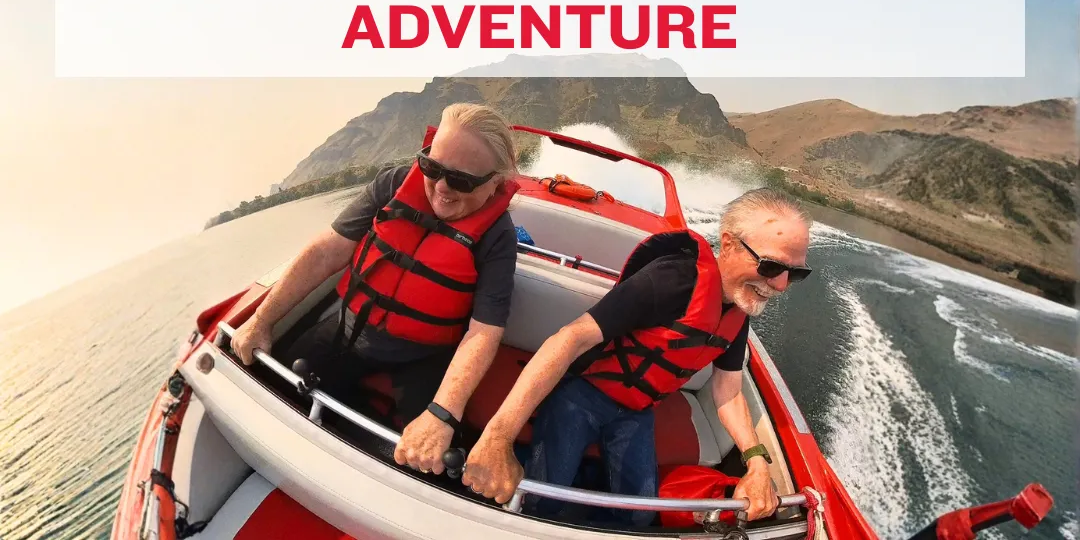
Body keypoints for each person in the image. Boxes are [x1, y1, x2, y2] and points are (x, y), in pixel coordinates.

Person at [460, 188, 814, 527]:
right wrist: (498, 435)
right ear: (729, 244)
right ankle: (489, 461)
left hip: (637, 410)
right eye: (770, 266)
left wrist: (755, 461)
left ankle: (582, 485)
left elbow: (729, 389)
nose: (781, 285)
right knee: (543, 502)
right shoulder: (671, 280)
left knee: (639, 518)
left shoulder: (738, 309)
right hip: (583, 396)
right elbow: (570, 339)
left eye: (795, 273)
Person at [230, 103, 520, 476]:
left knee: (434, 464)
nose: (442, 188)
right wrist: (261, 320)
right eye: (432, 168)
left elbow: (483, 332)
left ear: (495, 181)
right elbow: (326, 251)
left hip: (421, 354)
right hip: (345, 329)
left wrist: (442, 414)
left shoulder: (497, 236)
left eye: (462, 180)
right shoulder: (393, 184)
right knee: (263, 387)